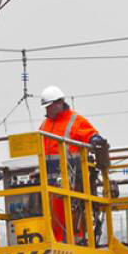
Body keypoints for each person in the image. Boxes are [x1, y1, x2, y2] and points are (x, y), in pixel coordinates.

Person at [38, 85, 110, 244]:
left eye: (49, 106)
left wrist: (95, 140)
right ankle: (58, 243)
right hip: (50, 181)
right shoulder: (45, 125)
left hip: (72, 179)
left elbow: (91, 135)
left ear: (59, 103)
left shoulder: (74, 120)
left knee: (71, 215)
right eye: (46, 108)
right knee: (54, 215)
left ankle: (76, 242)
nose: (48, 110)